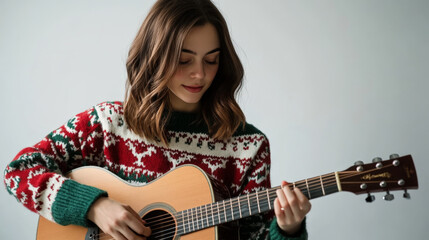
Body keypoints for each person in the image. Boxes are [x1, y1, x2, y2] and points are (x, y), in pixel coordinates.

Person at [3, 0, 311, 239]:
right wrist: (94, 206)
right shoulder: (108, 124)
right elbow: (19, 171)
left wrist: (288, 230)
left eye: (212, 60)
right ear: (155, 56)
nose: (200, 74)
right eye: (183, 59)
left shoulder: (248, 147)